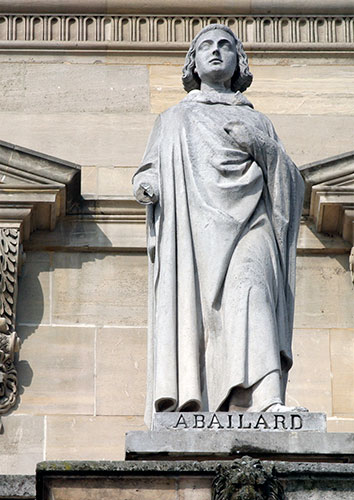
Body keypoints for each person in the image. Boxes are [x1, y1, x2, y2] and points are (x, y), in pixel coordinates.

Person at [133, 24, 306, 428]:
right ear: (192, 62)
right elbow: (151, 169)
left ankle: (266, 398)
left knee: (254, 289)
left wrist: (260, 146)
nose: (215, 51)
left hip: (254, 224)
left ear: (238, 61)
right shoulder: (173, 119)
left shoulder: (258, 121)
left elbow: (290, 185)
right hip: (197, 234)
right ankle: (209, 397)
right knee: (204, 314)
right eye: (205, 46)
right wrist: (147, 184)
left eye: (225, 45)